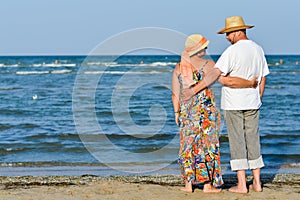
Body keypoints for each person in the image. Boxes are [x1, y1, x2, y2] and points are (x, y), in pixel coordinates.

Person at [181, 16, 270, 194]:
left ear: (237, 32)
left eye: (228, 33)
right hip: (253, 102)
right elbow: (263, 77)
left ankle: (242, 185)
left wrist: (194, 89)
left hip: (234, 103)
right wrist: (257, 96)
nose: (227, 37)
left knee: (237, 140)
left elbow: (217, 76)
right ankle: (257, 183)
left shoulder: (232, 52)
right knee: (253, 139)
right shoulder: (258, 49)